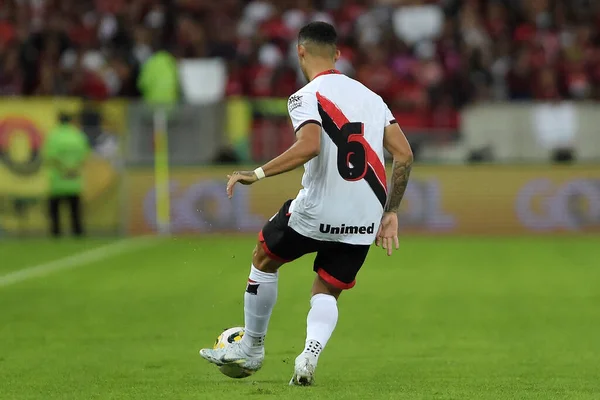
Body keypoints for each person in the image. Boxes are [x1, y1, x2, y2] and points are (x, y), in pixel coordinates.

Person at [199, 22, 413, 386]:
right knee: (327, 289)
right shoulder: (374, 99)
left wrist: (258, 173)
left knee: (264, 258)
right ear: (338, 54)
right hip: (364, 217)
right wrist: (390, 212)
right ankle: (308, 356)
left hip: (316, 210)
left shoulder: (305, 96)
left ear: (300, 51)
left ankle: (251, 348)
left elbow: (310, 145)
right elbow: (404, 156)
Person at [42, 112, 90, 237]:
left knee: (55, 211)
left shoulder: (54, 136)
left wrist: (63, 169)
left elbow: (50, 156)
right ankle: (78, 232)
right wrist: (72, 169)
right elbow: (84, 156)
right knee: (75, 211)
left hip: (58, 181)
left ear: (58, 120)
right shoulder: (78, 135)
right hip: (74, 180)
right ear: (70, 121)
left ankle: (56, 232)